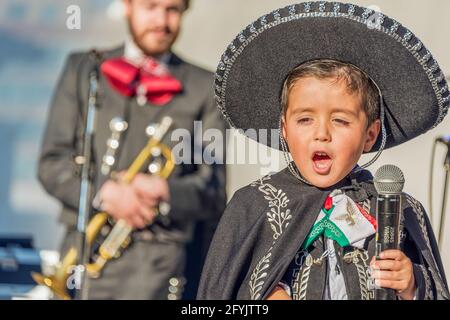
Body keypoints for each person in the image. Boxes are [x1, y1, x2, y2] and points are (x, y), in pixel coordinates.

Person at [197, 2, 449, 300]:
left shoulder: (399, 210)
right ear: (285, 130)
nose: (322, 134)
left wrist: (412, 285)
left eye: (340, 121)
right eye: (305, 119)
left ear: (370, 134)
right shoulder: (253, 205)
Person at [38, 0, 227, 299]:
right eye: (151, 6)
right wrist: (106, 192)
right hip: (82, 262)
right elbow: (51, 164)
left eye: (172, 10)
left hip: (159, 270)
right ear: (127, 5)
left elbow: (213, 190)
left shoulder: (205, 87)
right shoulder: (85, 70)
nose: (161, 21)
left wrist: (162, 190)